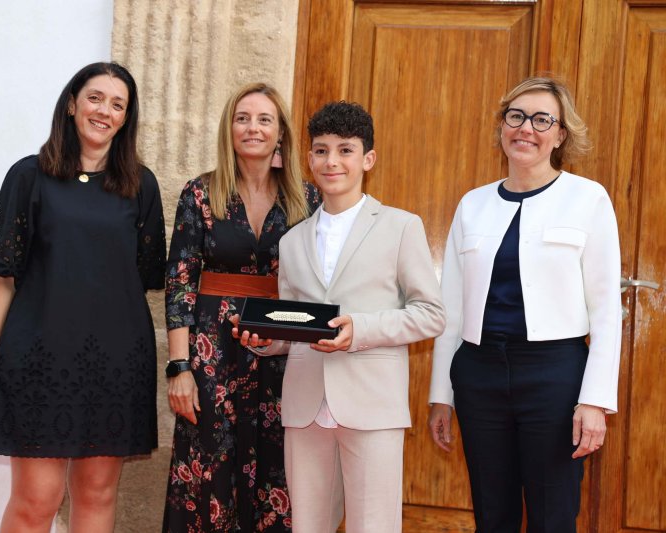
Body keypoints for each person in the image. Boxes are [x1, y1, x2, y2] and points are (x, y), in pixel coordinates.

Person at [0, 62, 166, 533]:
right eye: (96, 98)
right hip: (39, 360)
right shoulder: (29, 177)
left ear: (126, 118)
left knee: (97, 496)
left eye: (118, 104)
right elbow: (4, 278)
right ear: (72, 103)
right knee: (37, 501)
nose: (105, 111)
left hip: (116, 363)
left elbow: (140, 276)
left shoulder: (141, 186)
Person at [235, 101, 446, 533]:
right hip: (306, 404)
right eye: (321, 150)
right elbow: (293, 327)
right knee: (307, 527)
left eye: (345, 150)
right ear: (308, 158)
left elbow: (431, 314)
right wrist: (265, 339)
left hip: (372, 404)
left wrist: (360, 330)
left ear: (368, 159)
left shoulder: (400, 226)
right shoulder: (292, 241)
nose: (332, 161)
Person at [427, 76, 622, 533]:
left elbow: (605, 309)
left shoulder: (588, 199)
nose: (525, 129)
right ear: (501, 127)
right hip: (478, 374)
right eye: (516, 117)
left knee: (553, 518)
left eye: (541, 119)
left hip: (554, 376)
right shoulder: (472, 204)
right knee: (492, 515)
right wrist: (442, 395)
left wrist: (594, 401)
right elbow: (450, 308)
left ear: (560, 134)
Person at [162, 82, 321, 532]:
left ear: (281, 134)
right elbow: (179, 283)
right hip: (211, 356)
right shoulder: (199, 193)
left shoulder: (307, 200)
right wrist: (179, 367)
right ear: (229, 129)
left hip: (282, 355)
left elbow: (316, 287)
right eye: (242, 118)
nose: (253, 127)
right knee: (208, 471)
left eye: (264, 119)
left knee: (278, 474)